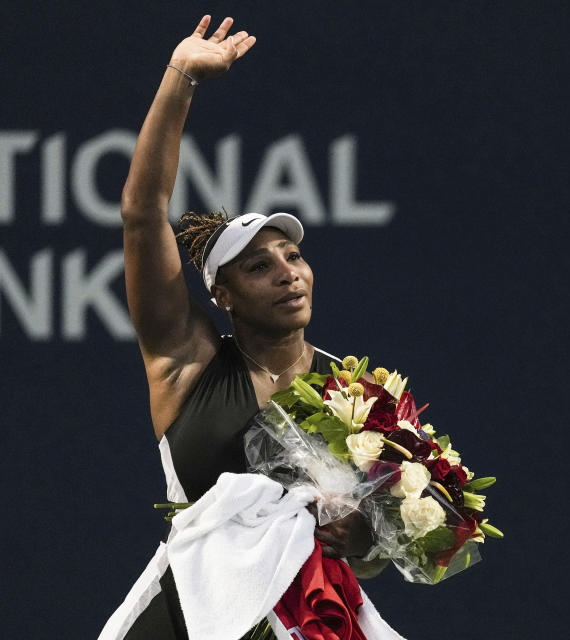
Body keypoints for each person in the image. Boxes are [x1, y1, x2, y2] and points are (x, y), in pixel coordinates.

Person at [101, 16, 383, 640]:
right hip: (188, 618)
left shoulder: (356, 394)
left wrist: (365, 536)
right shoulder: (185, 362)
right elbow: (142, 214)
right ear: (223, 296)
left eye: (294, 257)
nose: (289, 274)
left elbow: (378, 544)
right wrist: (180, 78)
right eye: (261, 266)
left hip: (308, 621)